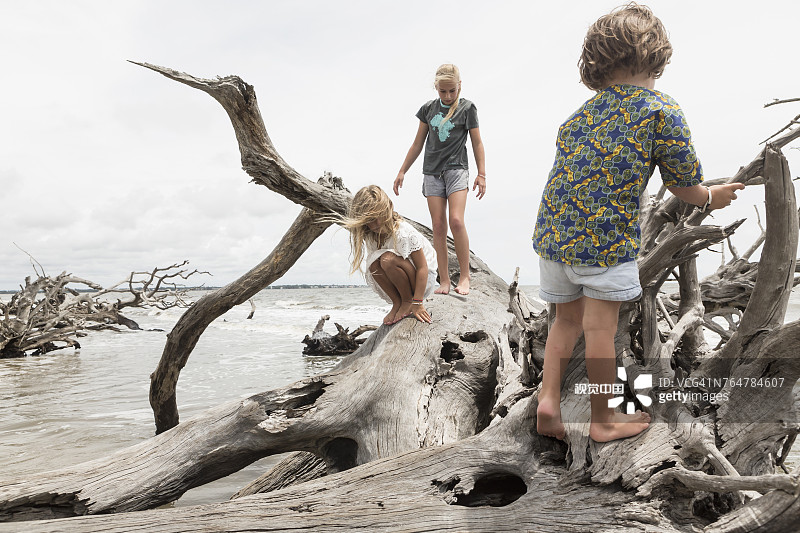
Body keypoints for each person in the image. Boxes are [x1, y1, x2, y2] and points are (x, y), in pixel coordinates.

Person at [532, 3, 745, 443]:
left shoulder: (576, 118)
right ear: (656, 56)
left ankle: (547, 405)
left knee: (564, 323)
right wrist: (711, 197)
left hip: (554, 237)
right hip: (605, 243)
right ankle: (604, 419)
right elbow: (683, 183)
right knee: (600, 331)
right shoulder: (659, 109)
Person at [393, 64, 486, 296]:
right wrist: (402, 170)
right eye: (443, 91)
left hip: (457, 170)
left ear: (459, 86)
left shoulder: (467, 108)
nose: (448, 96)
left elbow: (477, 143)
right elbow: (418, 143)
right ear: (436, 88)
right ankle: (444, 280)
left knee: (456, 220)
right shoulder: (428, 109)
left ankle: (465, 277)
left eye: (452, 91)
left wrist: (481, 174)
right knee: (438, 226)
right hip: (432, 172)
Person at [343, 185, 437, 325]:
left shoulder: (403, 232)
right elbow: (378, 268)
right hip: (405, 277)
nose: (376, 224)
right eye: (370, 220)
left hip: (423, 280)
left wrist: (418, 302)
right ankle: (397, 302)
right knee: (373, 263)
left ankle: (408, 301)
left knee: (387, 260)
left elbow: (423, 267)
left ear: (388, 208)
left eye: (378, 216)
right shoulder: (371, 236)